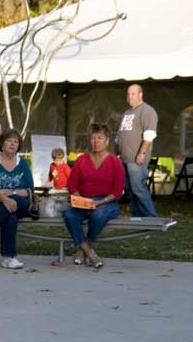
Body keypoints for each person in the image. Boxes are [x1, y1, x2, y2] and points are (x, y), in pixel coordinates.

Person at [64, 123, 125, 269]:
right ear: (89, 141)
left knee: (97, 215)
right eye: (93, 138)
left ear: (107, 140)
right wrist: (80, 200)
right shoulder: (81, 160)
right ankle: (89, 252)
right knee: (69, 214)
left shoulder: (115, 162)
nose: (96, 142)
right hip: (84, 200)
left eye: (100, 138)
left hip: (106, 202)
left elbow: (117, 191)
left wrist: (98, 203)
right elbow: (72, 185)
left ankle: (83, 248)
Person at [0, 128, 35, 269]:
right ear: (2, 144)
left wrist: (11, 193)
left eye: (16, 142)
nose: (12, 144)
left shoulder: (23, 164)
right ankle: (9, 258)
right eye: (9, 140)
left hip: (19, 204)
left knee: (16, 201)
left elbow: (29, 189)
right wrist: (6, 199)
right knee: (11, 216)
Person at [116, 84, 158, 217]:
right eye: (128, 94)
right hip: (125, 158)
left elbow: (150, 134)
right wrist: (117, 152)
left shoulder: (147, 111)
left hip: (137, 159)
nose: (130, 96)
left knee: (138, 188)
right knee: (131, 189)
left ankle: (150, 218)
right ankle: (137, 216)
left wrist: (142, 153)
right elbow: (121, 134)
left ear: (141, 95)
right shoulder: (127, 112)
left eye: (133, 93)